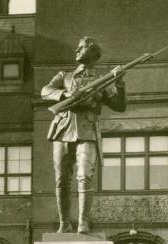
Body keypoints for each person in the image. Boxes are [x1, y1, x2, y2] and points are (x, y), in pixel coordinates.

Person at [41, 36, 127, 233]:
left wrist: (119, 82)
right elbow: (45, 91)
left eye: (81, 48)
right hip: (63, 130)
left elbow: (119, 106)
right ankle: (64, 223)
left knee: (84, 177)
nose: (76, 51)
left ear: (93, 52)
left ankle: (83, 222)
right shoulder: (65, 76)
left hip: (87, 131)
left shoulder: (101, 81)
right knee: (62, 179)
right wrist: (66, 95)